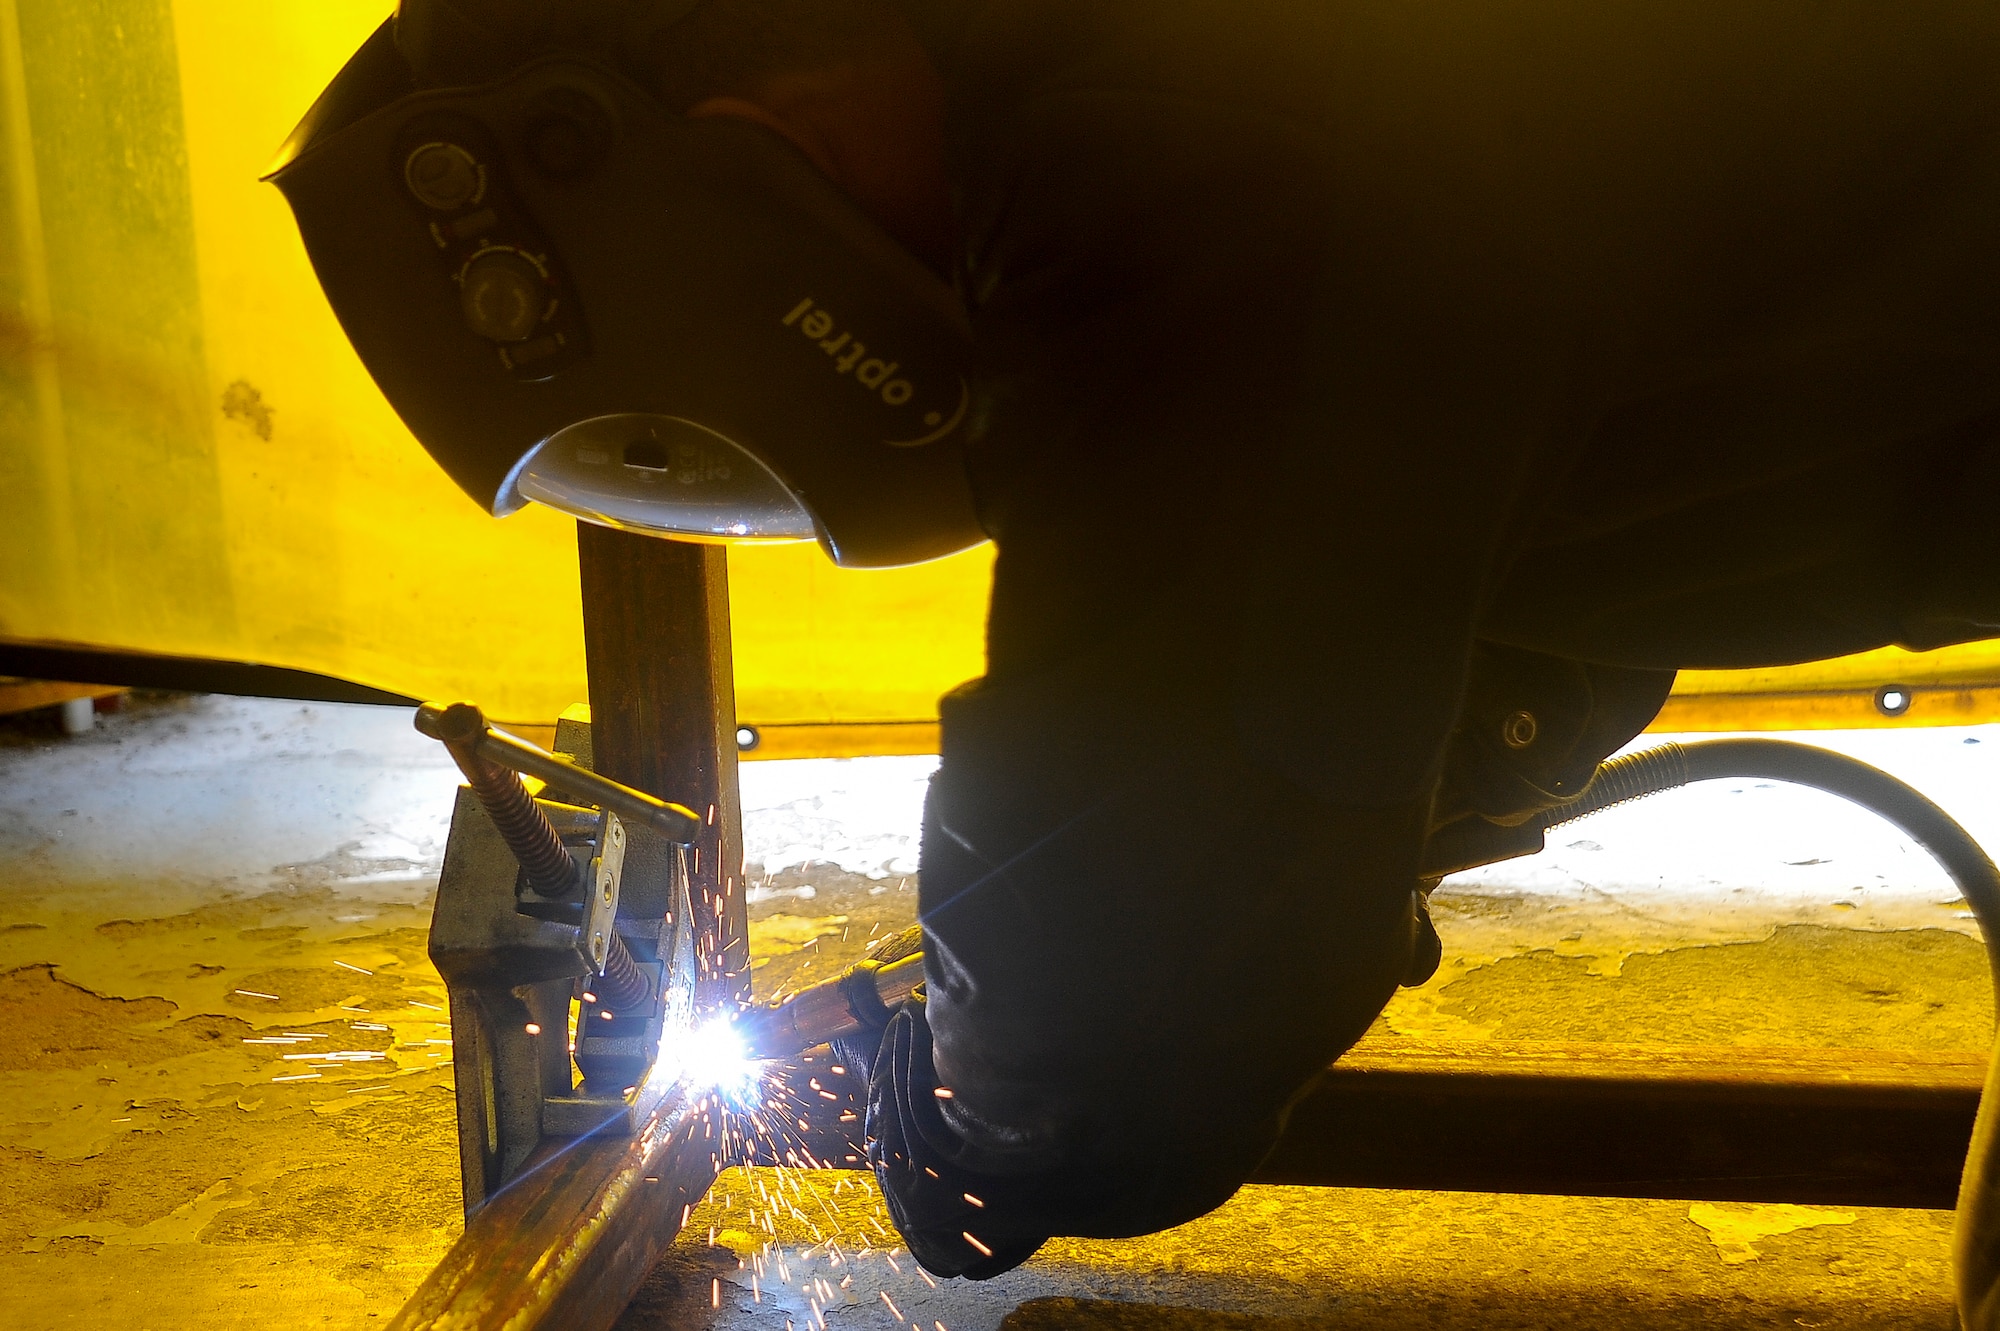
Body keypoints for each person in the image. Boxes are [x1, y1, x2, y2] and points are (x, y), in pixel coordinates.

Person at [405, 0, 2000, 1281]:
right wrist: (956, 1001)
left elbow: (1144, 952)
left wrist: (1004, 1097)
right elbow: (1468, 602)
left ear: (742, 150)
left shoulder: (1183, 121)